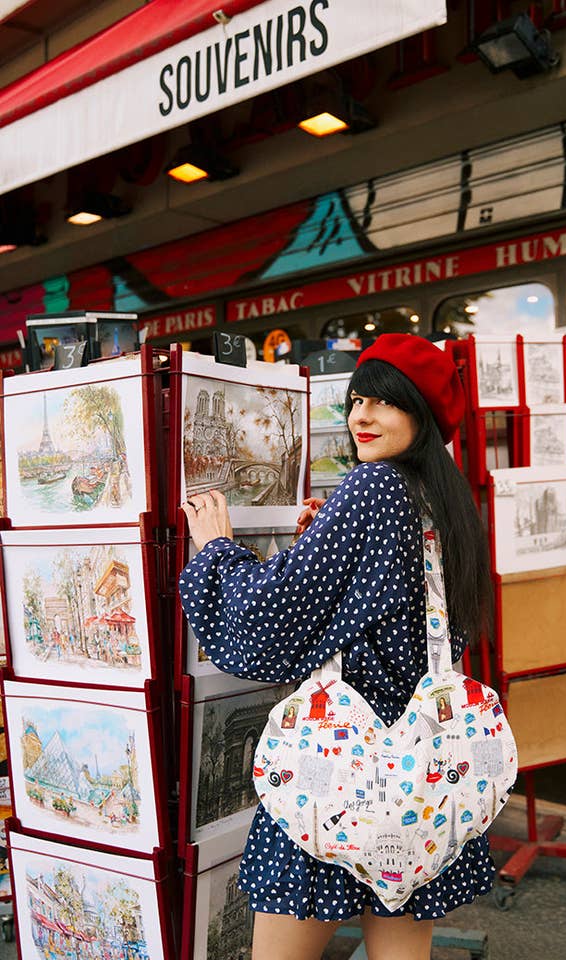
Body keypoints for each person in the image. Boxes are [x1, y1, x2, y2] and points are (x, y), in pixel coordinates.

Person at [179, 333, 494, 960]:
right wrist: (327, 534)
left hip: (339, 766)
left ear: (421, 414)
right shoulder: (444, 500)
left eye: (385, 403)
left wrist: (216, 550)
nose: (361, 417)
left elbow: (270, 626)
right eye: (356, 400)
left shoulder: (374, 488)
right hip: (420, 775)